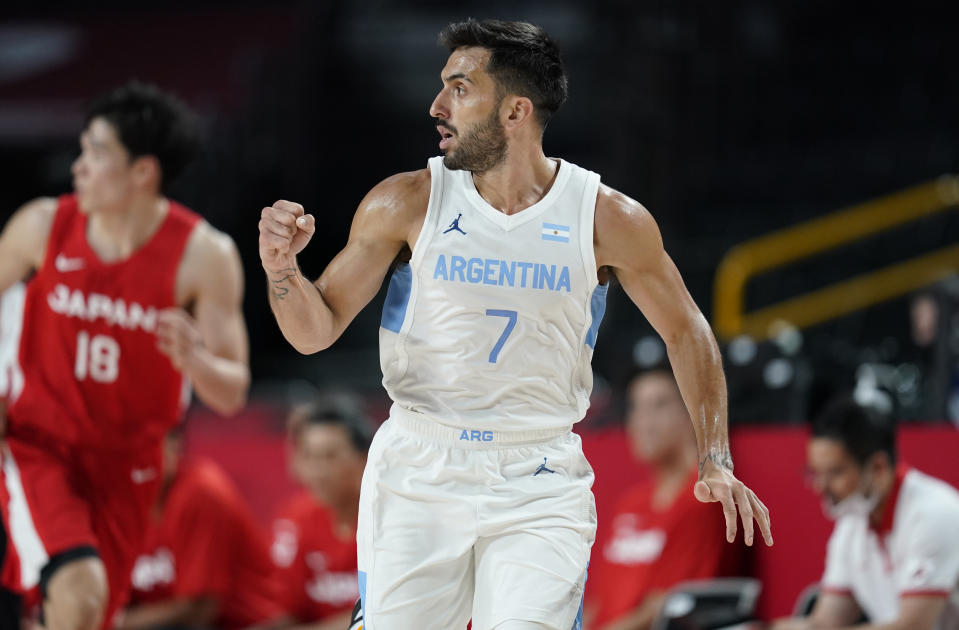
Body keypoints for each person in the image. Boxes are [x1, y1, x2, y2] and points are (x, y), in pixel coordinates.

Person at [257, 19, 772, 630]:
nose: (437, 106)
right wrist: (282, 270)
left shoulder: (607, 217)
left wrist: (715, 455)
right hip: (422, 464)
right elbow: (313, 332)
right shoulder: (406, 201)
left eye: (460, 88)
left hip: (539, 474)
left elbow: (688, 332)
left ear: (515, 110)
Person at [0, 81, 250, 630]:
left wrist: (197, 362)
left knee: (89, 615)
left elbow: (231, 393)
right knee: (80, 590)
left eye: (96, 153)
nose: (78, 167)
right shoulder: (41, 226)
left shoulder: (204, 256)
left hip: (131, 466)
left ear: (143, 172)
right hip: (41, 447)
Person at [771, 396, 959, 630]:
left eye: (834, 473)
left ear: (878, 467)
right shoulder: (852, 521)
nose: (820, 487)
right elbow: (823, 623)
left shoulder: (935, 514)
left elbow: (912, 628)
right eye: (816, 473)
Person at [586, 367, 741, 630]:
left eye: (659, 406)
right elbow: (597, 602)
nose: (642, 422)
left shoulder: (704, 499)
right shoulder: (631, 504)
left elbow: (663, 608)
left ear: (692, 413)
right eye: (636, 408)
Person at [117, 429, 283, 630]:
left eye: (148, 447)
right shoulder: (125, 502)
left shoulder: (200, 492)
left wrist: (115, 624)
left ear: (174, 446)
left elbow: (199, 611)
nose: (138, 459)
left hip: (252, 624)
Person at [270, 396, 370, 630]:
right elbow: (288, 612)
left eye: (330, 457)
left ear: (365, 459)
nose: (318, 471)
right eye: (310, 457)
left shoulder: (392, 520)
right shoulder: (295, 519)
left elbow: (384, 615)